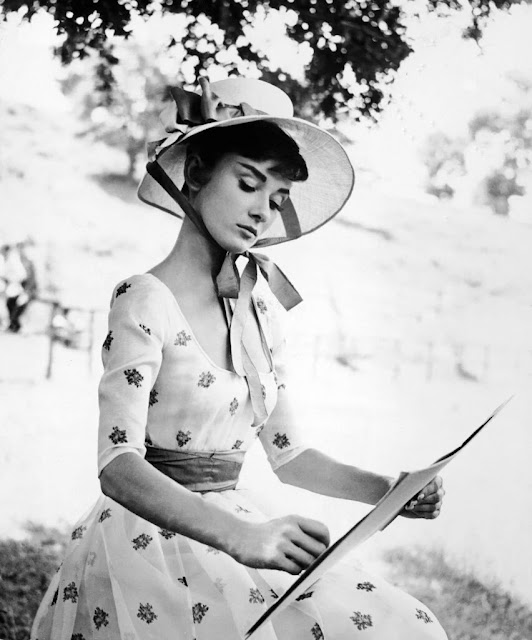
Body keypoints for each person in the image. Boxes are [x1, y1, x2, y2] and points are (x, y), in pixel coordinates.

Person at [31, 77, 446, 640]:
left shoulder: (260, 313)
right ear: (196, 173)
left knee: (403, 625)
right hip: (147, 544)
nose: (261, 212)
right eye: (248, 183)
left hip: (243, 526)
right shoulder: (145, 298)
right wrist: (241, 538)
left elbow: (290, 454)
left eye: (276, 200)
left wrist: (389, 491)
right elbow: (117, 465)